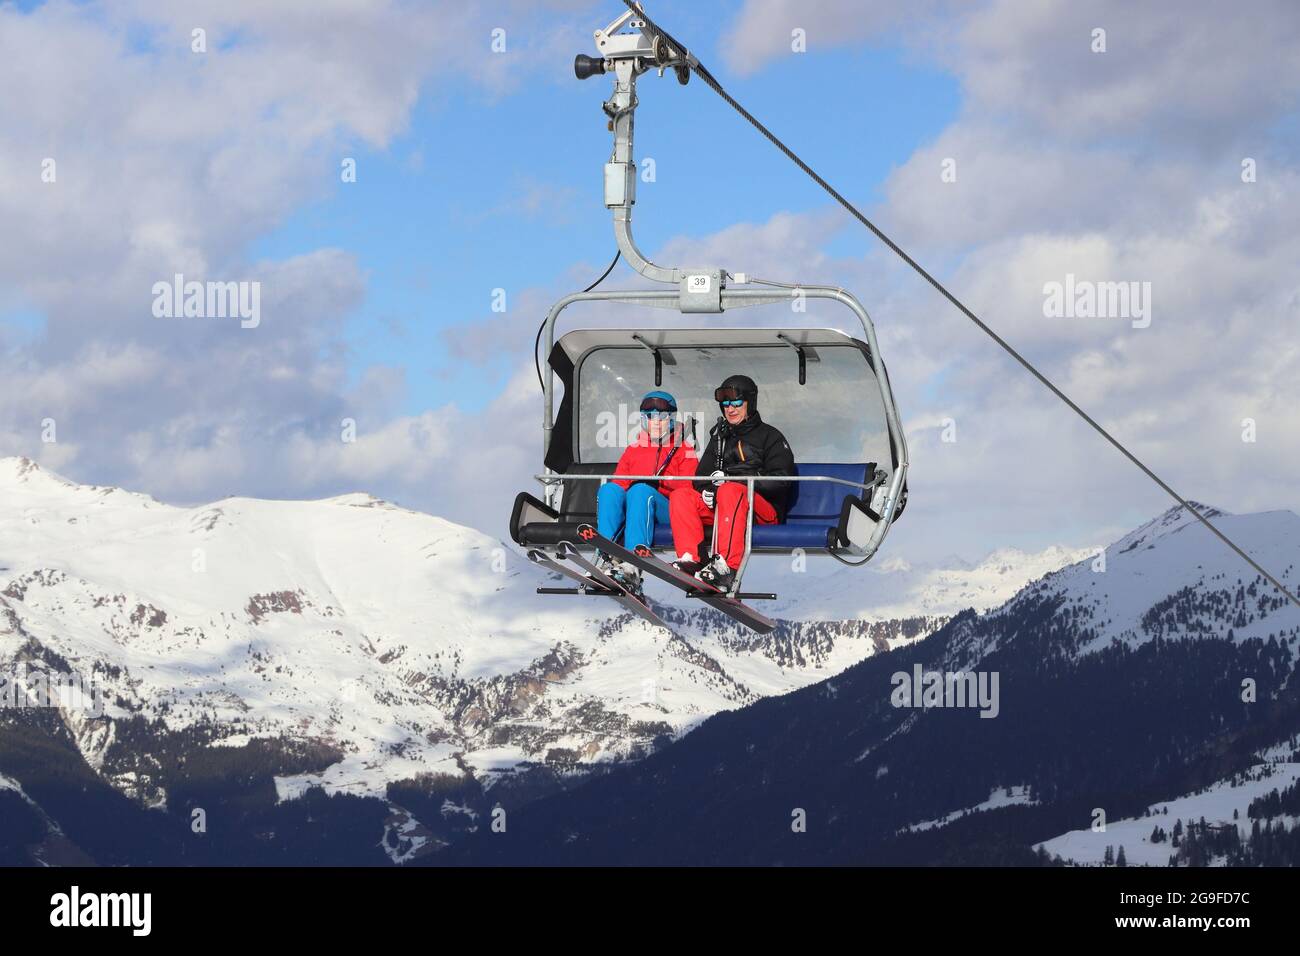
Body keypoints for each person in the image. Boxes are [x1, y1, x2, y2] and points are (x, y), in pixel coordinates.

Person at [668, 374, 794, 591]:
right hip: (724, 510)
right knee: (681, 496)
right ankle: (691, 559)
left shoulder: (770, 437)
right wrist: (707, 490)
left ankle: (727, 568)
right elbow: (701, 477)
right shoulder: (720, 438)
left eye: (736, 403)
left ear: (750, 403)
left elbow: (781, 481)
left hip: (761, 511)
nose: (730, 409)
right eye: (725, 404)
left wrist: (737, 480)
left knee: (730, 490)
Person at [595, 390, 699, 594]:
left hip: (666, 510)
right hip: (638, 508)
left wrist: (657, 486)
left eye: (662, 417)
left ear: (671, 419)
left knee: (641, 491)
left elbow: (686, 492)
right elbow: (620, 485)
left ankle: (633, 565)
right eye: (649, 417)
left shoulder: (683, 449)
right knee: (608, 490)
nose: (656, 422)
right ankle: (606, 556)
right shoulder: (634, 449)